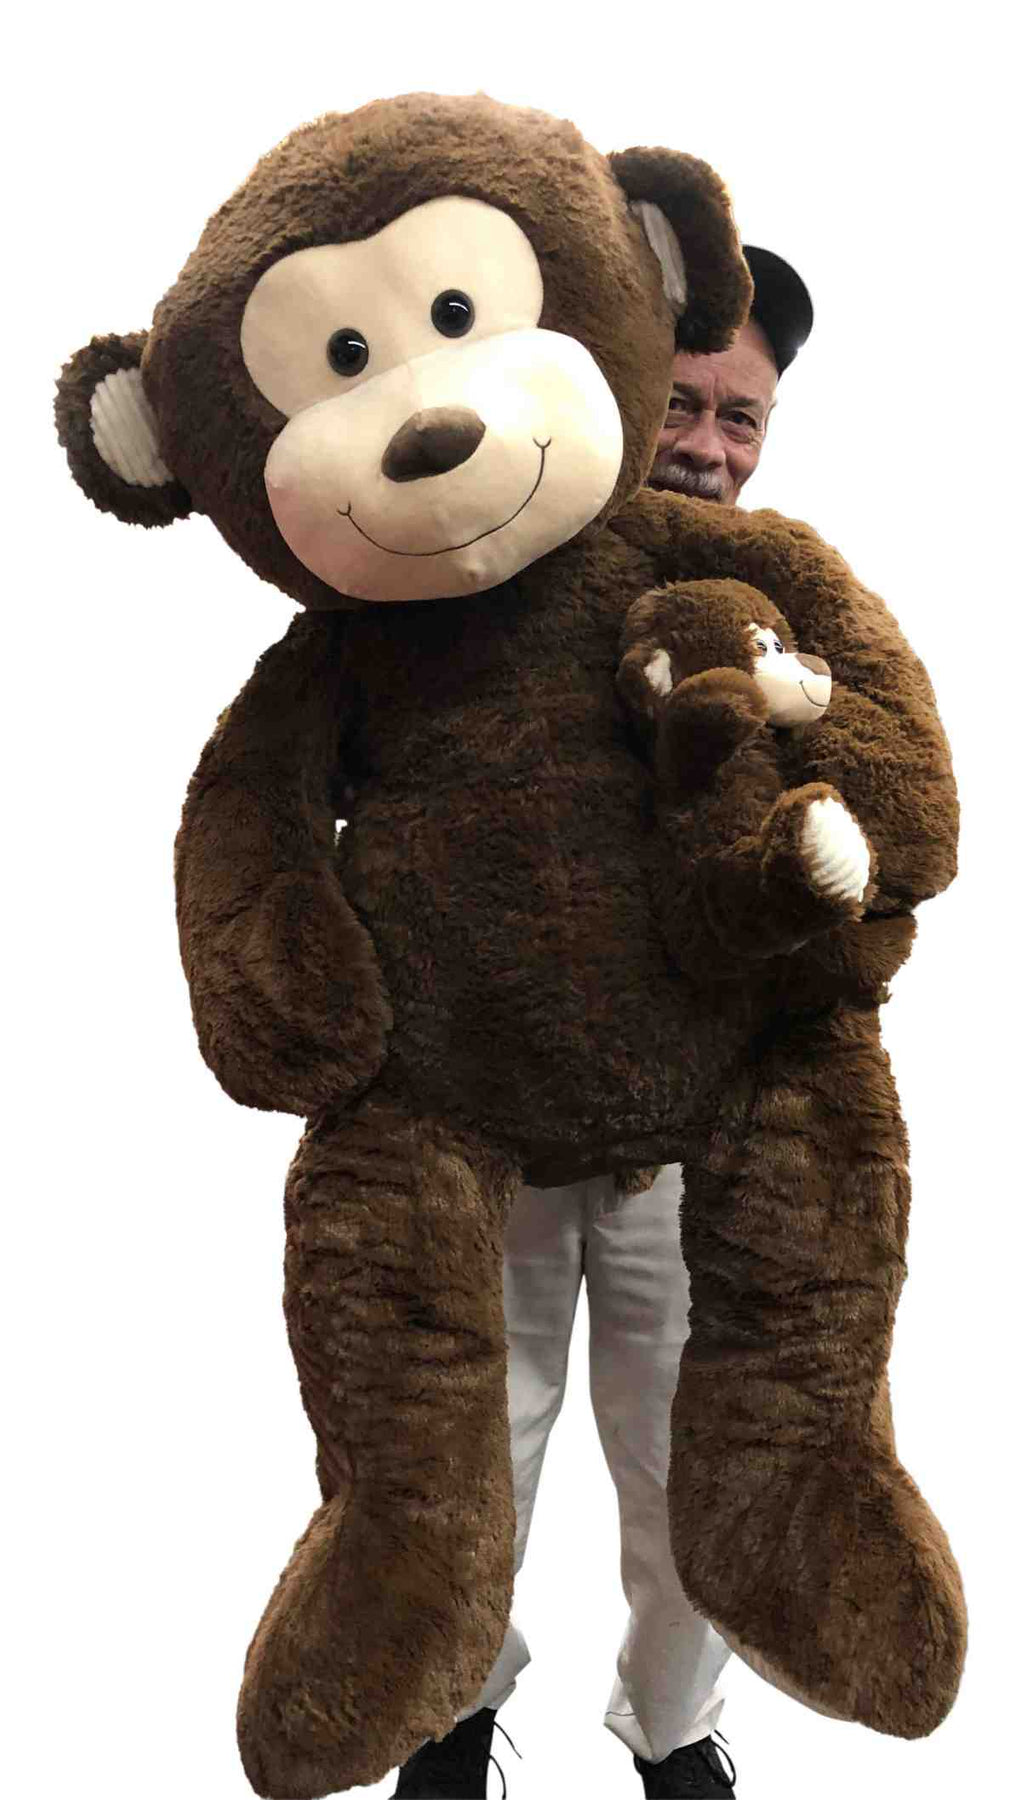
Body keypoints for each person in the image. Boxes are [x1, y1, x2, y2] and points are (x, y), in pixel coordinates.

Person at [392, 247, 814, 1800]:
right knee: (463, 1456)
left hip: (693, 1132)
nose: (706, 445)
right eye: (679, 404)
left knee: (692, 1458)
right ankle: (445, 1716)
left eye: (740, 417)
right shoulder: (469, 576)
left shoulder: (788, 610)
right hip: (491, 1124)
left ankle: (675, 1733)